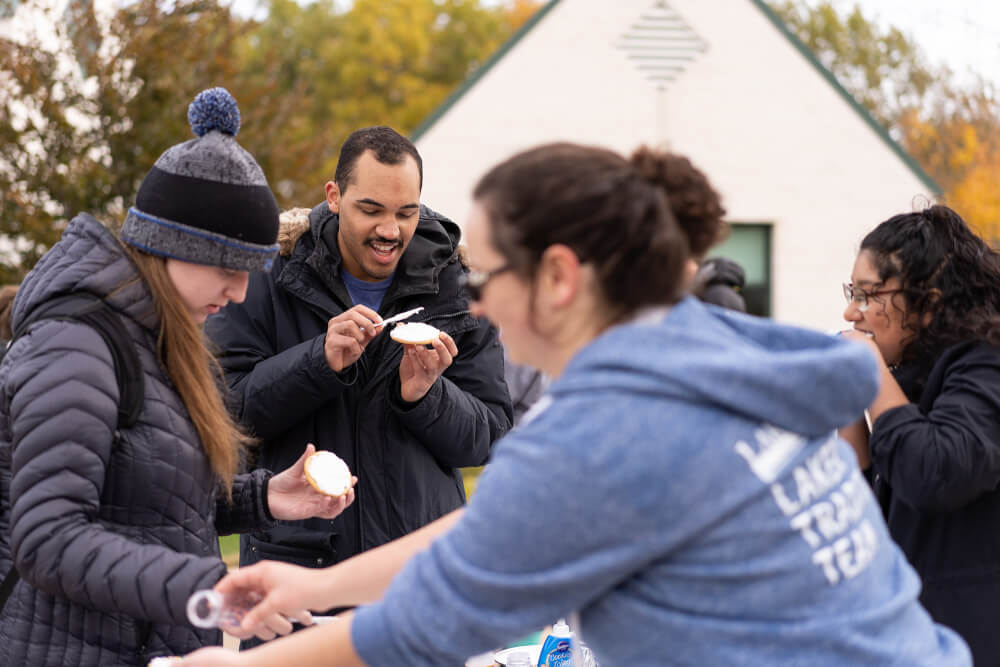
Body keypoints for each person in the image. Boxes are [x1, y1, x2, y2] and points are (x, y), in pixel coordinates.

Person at [180, 143, 970, 666]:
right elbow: (500, 527)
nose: (475, 306)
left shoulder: (611, 428)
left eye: (485, 278)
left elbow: (434, 618)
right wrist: (312, 588)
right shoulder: (708, 345)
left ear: (558, 277)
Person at [0, 88, 355, 666]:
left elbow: (147, 503)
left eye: (252, 271)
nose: (240, 292)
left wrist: (265, 497)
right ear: (171, 246)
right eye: (228, 266)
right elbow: (48, 539)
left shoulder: (158, 341)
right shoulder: (77, 345)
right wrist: (210, 588)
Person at [203, 126, 512, 619]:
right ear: (334, 196)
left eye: (405, 212)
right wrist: (318, 362)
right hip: (298, 582)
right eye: (371, 210)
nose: (390, 230)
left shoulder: (455, 286)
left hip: (421, 585)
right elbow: (224, 414)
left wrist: (424, 397)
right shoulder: (269, 278)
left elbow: (490, 438)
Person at [837, 204, 1000, 665]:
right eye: (852, 292)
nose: (851, 311)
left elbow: (934, 472)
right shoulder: (911, 377)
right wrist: (847, 404)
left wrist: (868, 369)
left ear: (928, 304)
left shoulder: (987, 362)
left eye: (869, 295)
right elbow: (859, 521)